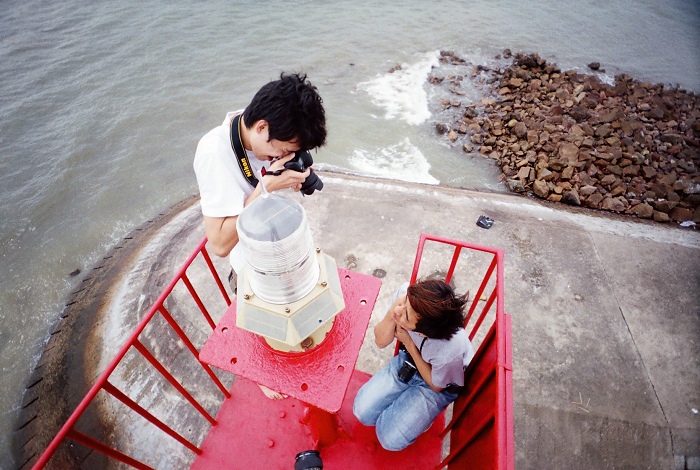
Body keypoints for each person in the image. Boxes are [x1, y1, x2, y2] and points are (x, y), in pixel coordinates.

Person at [193, 72, 327, 399]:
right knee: (264, 328)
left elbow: (271, 165)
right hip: (251, 264)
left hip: (281, 246)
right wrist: (268, 186)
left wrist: (289, 172)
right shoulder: (214, 153)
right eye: (281, 150)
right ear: (262, 128)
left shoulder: (259, 127)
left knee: (295, 316)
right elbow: (219, 243)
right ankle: (264, 375)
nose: (279, 157)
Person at [353, 280, 475, 451]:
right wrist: (398, 309)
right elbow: (380, 341)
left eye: (406, 316)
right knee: (362, 412)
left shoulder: (450, 349)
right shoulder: (408, 298)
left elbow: (437, 385)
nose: (399, 310)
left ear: (422, 333)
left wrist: (409, 344)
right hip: (409, 361)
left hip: (438, 382)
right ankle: (406, 407)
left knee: (389, 440)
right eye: (405, 302)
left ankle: (419, 417)